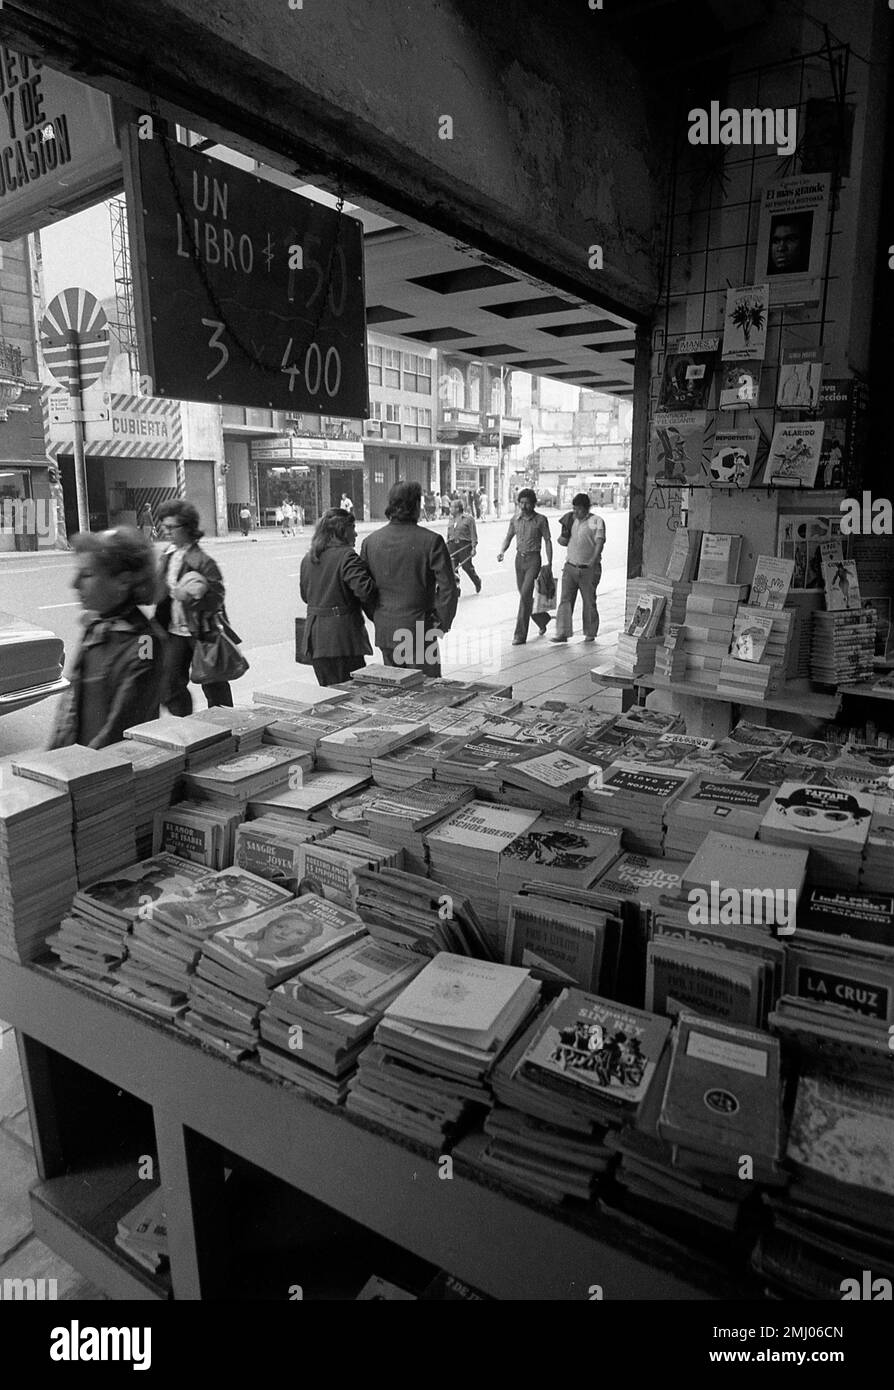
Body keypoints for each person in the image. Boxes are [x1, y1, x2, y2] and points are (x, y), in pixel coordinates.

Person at [49, 526, 166, 750]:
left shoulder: (146, 642)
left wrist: (80, 770)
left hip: (108, 771)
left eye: (87, 574)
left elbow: (121, 732)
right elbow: (70, 709)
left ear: (123, 581)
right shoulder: (95, 627)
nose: (74, 584)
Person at [361, 481, 458, 677]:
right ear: (415, 505)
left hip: (386, 631)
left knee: (395, 692)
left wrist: (378, 616)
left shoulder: (370, 542)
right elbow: (448, 588)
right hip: (420, 629)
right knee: (427, 692)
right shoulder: (432, 541)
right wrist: (441, 623)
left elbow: (364, 591)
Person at [155, 499, 235, 714]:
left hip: (200, 630)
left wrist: (191, 597)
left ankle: (224, 724)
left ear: (188, 527)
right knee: (169, 685)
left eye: (172, 527)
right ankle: (187, 726)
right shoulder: (168, 555)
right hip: (174, 630)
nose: (167, 531)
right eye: (164, 526)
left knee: (213, 682)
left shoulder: (202, 560)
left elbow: (217, 597)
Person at [299, 507, 376, 687]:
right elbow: (365, 592)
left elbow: (305, 596)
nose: (356, 534)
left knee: (329, 695)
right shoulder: (347, 556)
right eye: (353, 528)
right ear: (342, 530)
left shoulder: (309, 558)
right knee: (351, 697)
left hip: (317, 640)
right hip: (342, 640)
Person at [497, 488, 553, 645]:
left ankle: (520, 635)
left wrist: (549, 562)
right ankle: (542, 619)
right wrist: (502, 551)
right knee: (525, 595)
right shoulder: (515, 519)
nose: (523, 506)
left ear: (534, 504)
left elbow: (548, 541)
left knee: (524, 595)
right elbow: (508, 537)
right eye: (521, 503)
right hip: (519, 559)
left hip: (534, 560)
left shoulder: (541, 520)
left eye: (527, 503)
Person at [551, 493, 605, 644]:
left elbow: (599, 543)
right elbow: (562, 542)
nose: (576, 512)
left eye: (579, 509)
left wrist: (593, 561)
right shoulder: (571, 519)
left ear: (587, 508)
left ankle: (590, 632)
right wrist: (564, 531)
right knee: (565, 600)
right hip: (570, 566)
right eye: (574, 509)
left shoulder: (596, 521)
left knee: (589, 600)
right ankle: (562, 632)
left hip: (589, 568)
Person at [446, 499, 481, 594]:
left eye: (451, 507)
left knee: (467, 567)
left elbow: (473, 534)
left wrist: (474, 547)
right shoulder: (451, 518)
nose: (450, 509)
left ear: (457, 508)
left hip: (464, 546)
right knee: (453, 568)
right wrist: (447, 544)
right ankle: (456, 589)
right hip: (452, 546)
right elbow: (449, 533)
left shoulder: (468, 518)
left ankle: (477, 581)